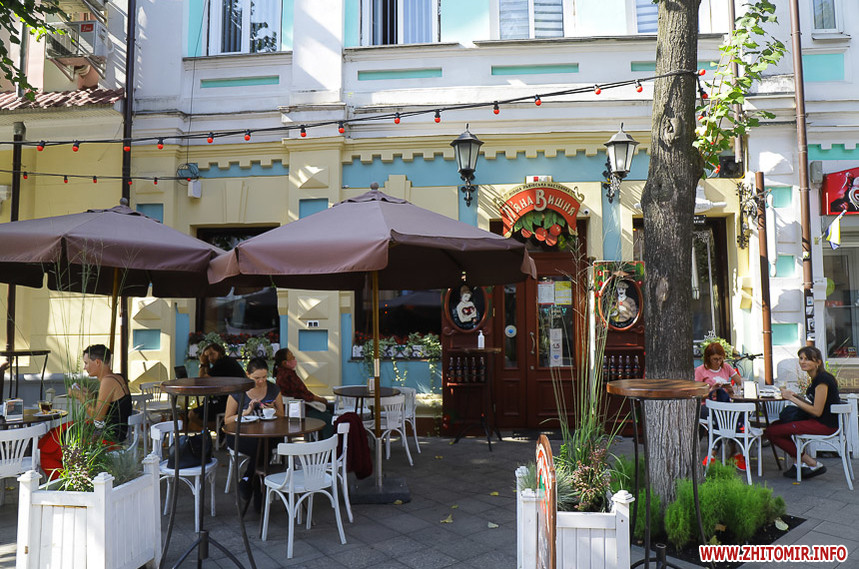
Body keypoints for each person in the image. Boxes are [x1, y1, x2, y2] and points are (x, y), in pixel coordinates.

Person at [765, 346, 840, 480]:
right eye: (801, 358)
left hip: (825, 425)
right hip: (818, 421)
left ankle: (812, 463)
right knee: (776, 426)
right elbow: (815, 405)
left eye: (808, 359)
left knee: (771, 431)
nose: (803, 362)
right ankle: (798, 464)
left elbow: (817, 411)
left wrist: (792, 398)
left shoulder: (823, 380)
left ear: (818, 362)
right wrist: (797, 397)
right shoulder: (816, 378)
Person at [224, 357, 284, 502]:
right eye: (257, 378)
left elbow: (282, 415)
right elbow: (227, 420)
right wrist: (245, 412)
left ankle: (247, 480)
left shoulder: (273, 389)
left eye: (264, 377)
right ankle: (258, 491)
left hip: (268, 435)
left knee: (263, 444)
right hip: (240, 436)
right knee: (263, 448)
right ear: (248, 375)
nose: (261, 381)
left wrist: (272, 409)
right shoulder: (238, 391)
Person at [70, 344, 133, 442]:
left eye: (86, 363)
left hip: (110, 438)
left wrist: (80, 396)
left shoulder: (108, 381)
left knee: (63, 434)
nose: (84, 368)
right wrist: (88, 395)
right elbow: (107, 409)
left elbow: (98, 417)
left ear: (97, 362)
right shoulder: (116, 377)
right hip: (112, 433)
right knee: (68, 428)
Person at [695, 342, 742, 469]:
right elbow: (697, 396)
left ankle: (720, 452)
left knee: (733, 416)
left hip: (723, 404)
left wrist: (731, 389)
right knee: (721, 418)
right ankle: (719, 452)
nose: (718, 362)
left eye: (720, 359)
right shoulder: (700, 371)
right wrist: (711, 391)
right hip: (706, 404)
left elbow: (739, 382)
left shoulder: (726, 367)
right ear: (708, 358)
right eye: (715, 359)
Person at [274, 348, 334, 439]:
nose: (294, 358)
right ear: (285, 363)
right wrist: (322, 400)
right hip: (300, 409)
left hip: (298, 406)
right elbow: (305, 395)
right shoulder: (288, 375)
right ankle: (328, 443)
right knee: (329, 418)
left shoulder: (282, 373)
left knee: (329, 408)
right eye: (291, 357)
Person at [190, 342, 246, 422]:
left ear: (219, 352)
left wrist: (203, 363)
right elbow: (208, 379)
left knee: (193, 414)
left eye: (212, 354)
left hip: (230, 402)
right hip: (234, 399)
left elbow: (202, 381)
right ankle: (218, 428)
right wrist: (207, 364)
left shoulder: (222, 363)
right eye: (207, 356)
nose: (210, 358)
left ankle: (218, 428)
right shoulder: (226, 360)